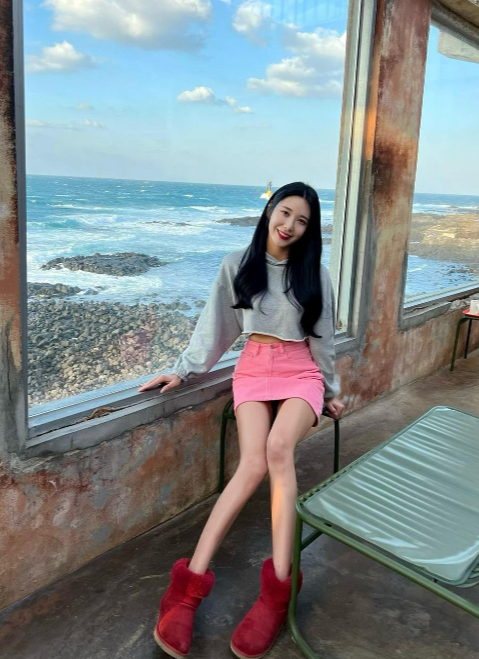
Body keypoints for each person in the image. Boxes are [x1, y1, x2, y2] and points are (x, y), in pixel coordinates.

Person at [138, 181, 345, 659]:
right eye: (285, 212)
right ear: (270, 210)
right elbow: (216, 327)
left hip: (300, 371)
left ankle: (277, 593)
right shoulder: (237, 264)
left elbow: (323, 341)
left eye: (302, 221)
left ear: (310, 229)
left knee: (278, 450)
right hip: (252, 369)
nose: (290, 225)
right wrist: (183, 370)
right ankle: (187, 587)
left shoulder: (316, 274)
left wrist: (331, 393)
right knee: (251, 464)